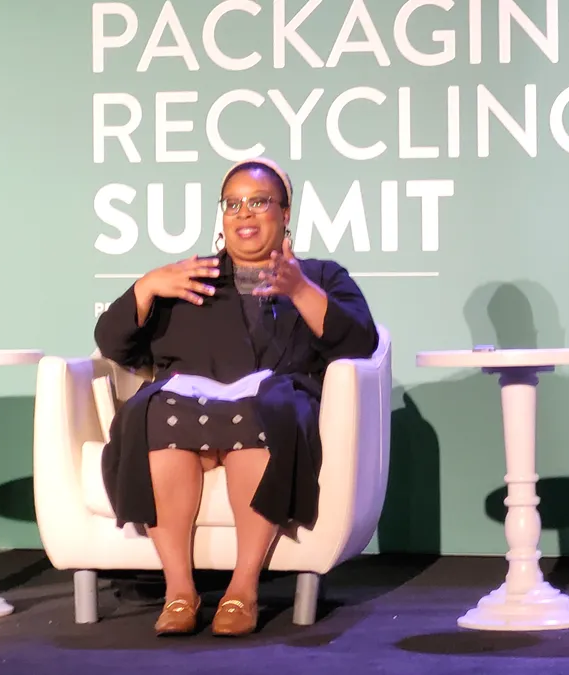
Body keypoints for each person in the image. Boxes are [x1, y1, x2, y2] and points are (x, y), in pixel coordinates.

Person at [94, 157, 379, 637]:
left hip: (271, 407)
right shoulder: (189, 276)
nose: (244, 214)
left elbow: (361, 345)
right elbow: (115, 346)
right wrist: (144, 289)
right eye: (233, 204)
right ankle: (179, 591)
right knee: (154, 413)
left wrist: (301, 291)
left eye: (259, 202)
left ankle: (241, 588)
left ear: (285, 213)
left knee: (263, 412)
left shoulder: (321, 276)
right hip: (185, 406)